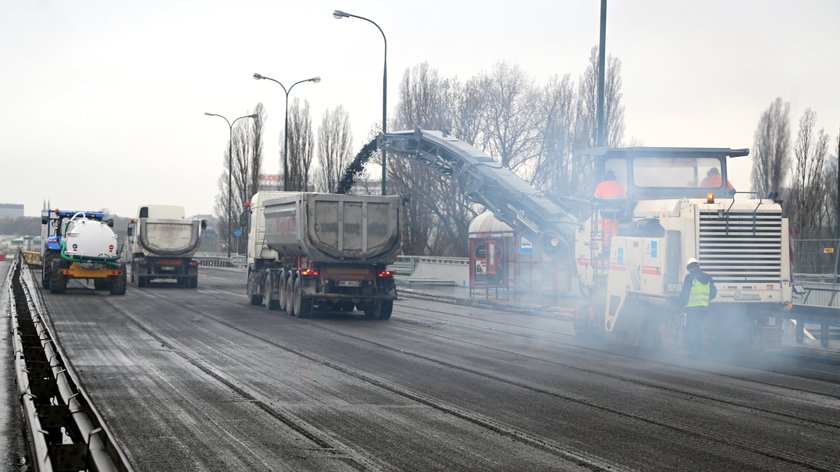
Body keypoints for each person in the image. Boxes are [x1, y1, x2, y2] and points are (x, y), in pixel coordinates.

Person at [679, 258, 717, 356]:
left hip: (690, 309)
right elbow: (713, 293)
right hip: (703, 308)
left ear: (690, 268)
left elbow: (685, 294)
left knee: (689, 329)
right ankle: (701, 349)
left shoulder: (689, 278)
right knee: (699, 328)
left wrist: (679, 305)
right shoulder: (708, 278)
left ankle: (692, 349)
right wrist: (705, 300)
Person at [593, 171, 625, 248]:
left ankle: (606, 247)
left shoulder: (601, 185)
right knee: (615, 230)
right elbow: (623, 201)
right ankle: (615, 245)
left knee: (606, 231)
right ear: (614, 178)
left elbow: (595, 199)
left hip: (605, 213)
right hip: (616, 213)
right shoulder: (619, 186)